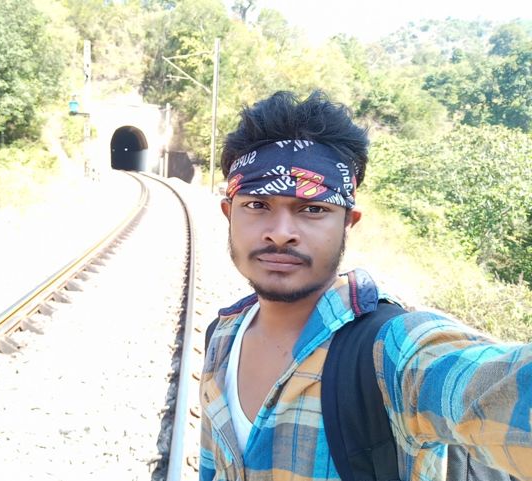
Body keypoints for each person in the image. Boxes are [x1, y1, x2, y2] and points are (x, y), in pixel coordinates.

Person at [198, 90, 532, 481]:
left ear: (348, 222)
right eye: (257, 205)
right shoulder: (222, 336)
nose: (281, 232)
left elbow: (491, 387)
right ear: (229, 213)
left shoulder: (389, 352)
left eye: (313, 209)